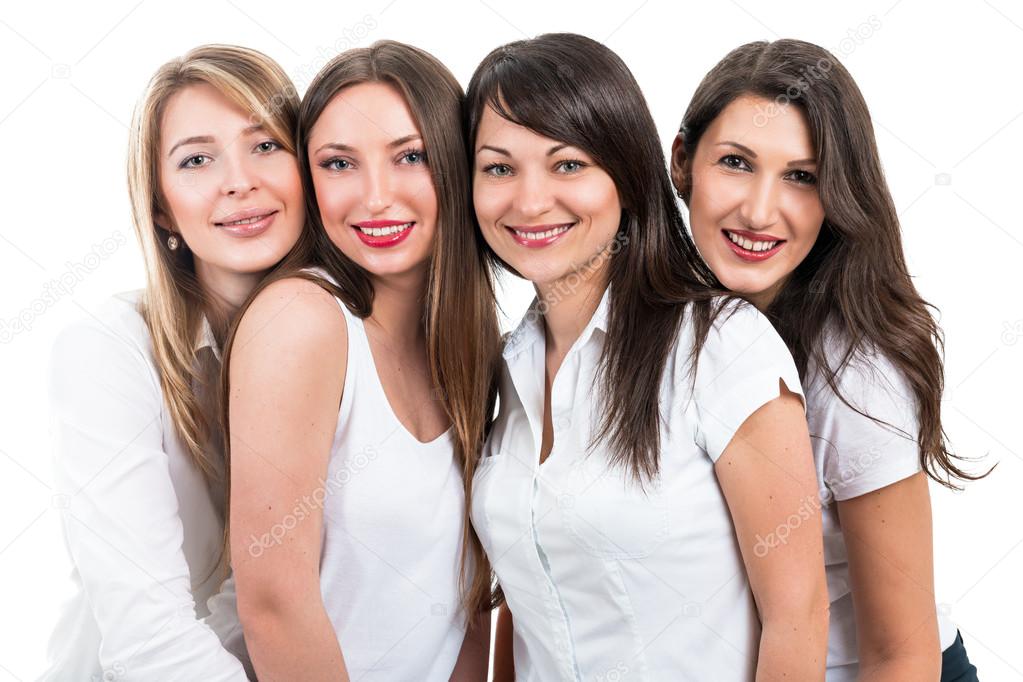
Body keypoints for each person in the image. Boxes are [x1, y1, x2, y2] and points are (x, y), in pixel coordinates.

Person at [467, 33, 829, 681]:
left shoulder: (722, 346)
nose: (528, 200)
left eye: (567, 164)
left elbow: (796, 615)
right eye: (498, 167)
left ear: (627, 176)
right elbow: (525, 604)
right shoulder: (507, 363)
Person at [670, 38, 982, 681]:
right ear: (683, 163)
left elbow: (903, 655)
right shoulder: (665, 327)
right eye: (735, 162)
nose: (759, 210)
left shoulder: (857, 373)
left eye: (801, 176)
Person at [223, 40, 497, 681]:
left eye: (410, 156)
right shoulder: (302, 320)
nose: (376, 197)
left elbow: (469, 606)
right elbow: (273, 606)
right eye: (339, 163)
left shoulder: (475, 347)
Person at [45, 44, 304, 680]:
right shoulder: (107, 351)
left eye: (266, 144)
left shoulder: (346, 343)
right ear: (161, 207)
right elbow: (149, 641)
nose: (239, 180)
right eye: (196, 159)